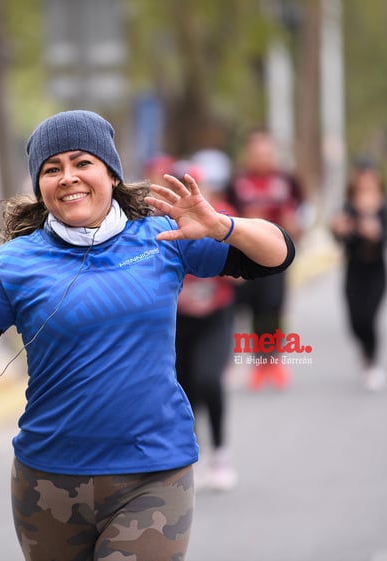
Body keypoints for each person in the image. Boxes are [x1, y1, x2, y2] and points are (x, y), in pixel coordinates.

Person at [0, 110, 295, 561]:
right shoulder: (16, 262)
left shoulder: (164, 235)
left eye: (82, 163)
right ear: (39, 185)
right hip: (48, 482)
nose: (68, 178)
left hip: (153, 474)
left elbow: (276, 256)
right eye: (52, 169)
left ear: (111, 173)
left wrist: (223, 226)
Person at [171, 155, 240, 492]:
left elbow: (248, 267)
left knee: (209, 379)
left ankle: (221, 453)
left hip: (216, 313)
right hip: (178, 320)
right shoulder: (160, 222)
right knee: (183, 389)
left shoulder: (220, 216)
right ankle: (191, 453)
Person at [227, 128, 305, 391]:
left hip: (276, 253)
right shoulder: (237, 183)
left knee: (273, 307)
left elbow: (302, 210)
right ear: (248, 153)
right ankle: (259, 364)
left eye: (266, 152)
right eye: (256, 152)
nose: (261, 157)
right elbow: (224, 214)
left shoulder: (287, 180)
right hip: (246, 254)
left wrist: (295, 226)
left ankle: (275, 361)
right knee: (252, 308)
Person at [330, 159, 387, 392]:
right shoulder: (348, 207)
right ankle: (363, 349)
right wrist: (339, 231)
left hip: (377, 269)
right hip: (354, 268)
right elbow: (338, 236)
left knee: (369, 317)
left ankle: (372, 362)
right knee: (353, 320)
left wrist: (378, 233)